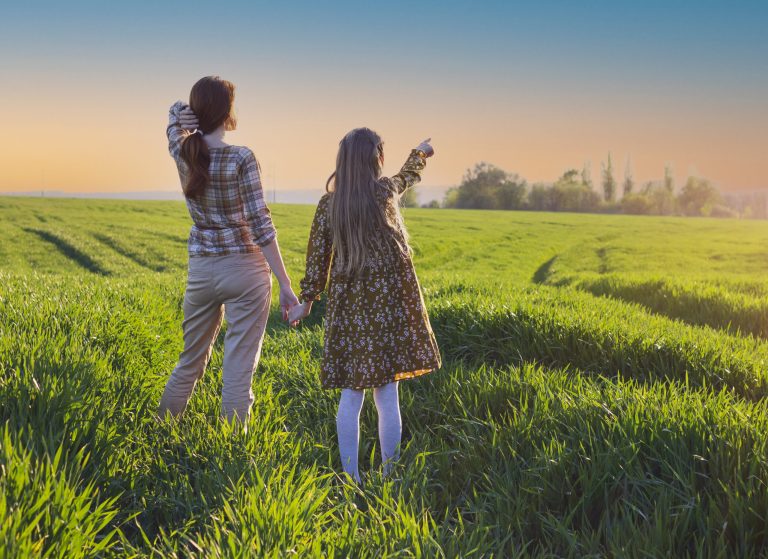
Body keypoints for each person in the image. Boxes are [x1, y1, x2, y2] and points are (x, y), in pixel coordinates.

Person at [288, 128, 441, 482]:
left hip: (348, 310)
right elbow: (407, 176)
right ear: (378, 159)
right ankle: (391, 477)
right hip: (388, 307)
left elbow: (317, 260)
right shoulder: (384, 192)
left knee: (351, 394)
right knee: (388, 395)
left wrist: (306, 303)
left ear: (342, 162)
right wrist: (420, 151)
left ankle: (351, 478)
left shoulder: (330, 205)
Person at [158, 76, 298, 423]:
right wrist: (284, 283)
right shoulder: (242, 157)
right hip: (245, 270)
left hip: (203, 270)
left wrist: (180, 113)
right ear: (227, 112)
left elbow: (172, 124)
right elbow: (260, 224)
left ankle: (159, 431)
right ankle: (232, 451)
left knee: (189, 360)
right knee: (238, 369)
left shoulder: (183, 150)